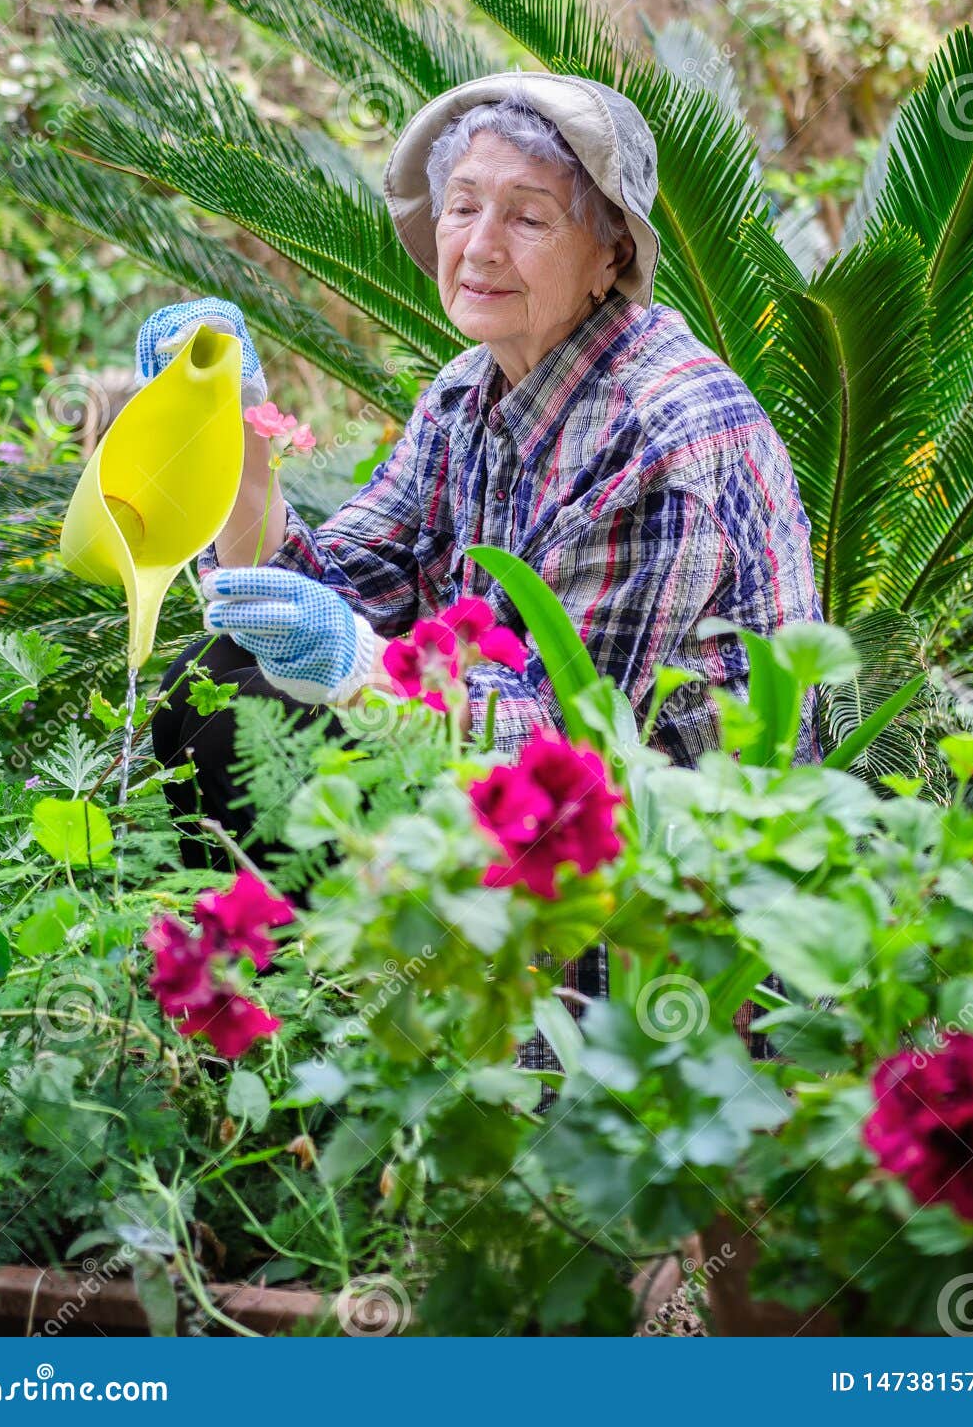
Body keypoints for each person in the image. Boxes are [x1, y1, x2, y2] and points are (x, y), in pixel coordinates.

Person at [145, 68, 823, 1082]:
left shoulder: (665, 437)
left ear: (609, 256)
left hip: (657, 901)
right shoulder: (469, 392)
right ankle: (263, 1040)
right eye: (463, 206)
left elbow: (575, 754)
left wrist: (355, 667)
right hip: (495, 807)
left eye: (529, 217)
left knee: (279, 696)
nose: (479, 244)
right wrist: (232, 431)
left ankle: (440, 1065)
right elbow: (322, 584)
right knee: (220, 678)